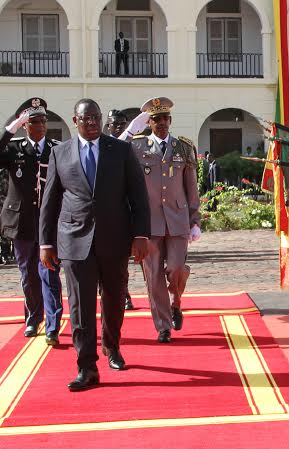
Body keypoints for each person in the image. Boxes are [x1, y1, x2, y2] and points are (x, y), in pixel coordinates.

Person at [39, 98, 150, 391]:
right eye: (86, 118)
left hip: (115, 239)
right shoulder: (60, 153)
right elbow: (49, 201)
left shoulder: (121, 150)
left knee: (114, 299)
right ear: (74, 121)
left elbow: (138, 196)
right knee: (80, 306)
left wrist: (141, 236)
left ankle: (111, 346)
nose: (91, 123)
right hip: (74, 241)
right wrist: (45, 243)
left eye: (96, 118)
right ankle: (86, 366)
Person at [0, 98, 63, 344]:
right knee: (28, 275)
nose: (39, 125)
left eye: (42, 121)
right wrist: (10, 129)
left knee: (50, 274)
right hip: (22, 223)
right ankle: (33, 318)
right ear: (24, 125)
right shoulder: (14, 149)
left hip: (49, 223)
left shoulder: (57, 149)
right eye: (33, 121)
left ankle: (52, 325)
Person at [123, 97, 201, 344]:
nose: (162, 123)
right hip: (149, 222)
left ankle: (176, 302)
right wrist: (129, 130)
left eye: (166, 118)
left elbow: (191, 187)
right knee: (154, 276)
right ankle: (163, 326)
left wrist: (195, 219)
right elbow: (111, 151)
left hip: (178, 219)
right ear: (149, 122)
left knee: (176, 269)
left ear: (171, 120)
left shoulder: (183, 148)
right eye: (156, 119)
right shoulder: (136, 147)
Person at [105, 109, 137, 311]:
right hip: (101, 212)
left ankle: (123, 293)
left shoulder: (133, 146)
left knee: (121, 260)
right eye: (115, 124)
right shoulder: (99, 144)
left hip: (124, 210)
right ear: (108, 126)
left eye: (122, 124)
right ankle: (108, 292)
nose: (118, 127)